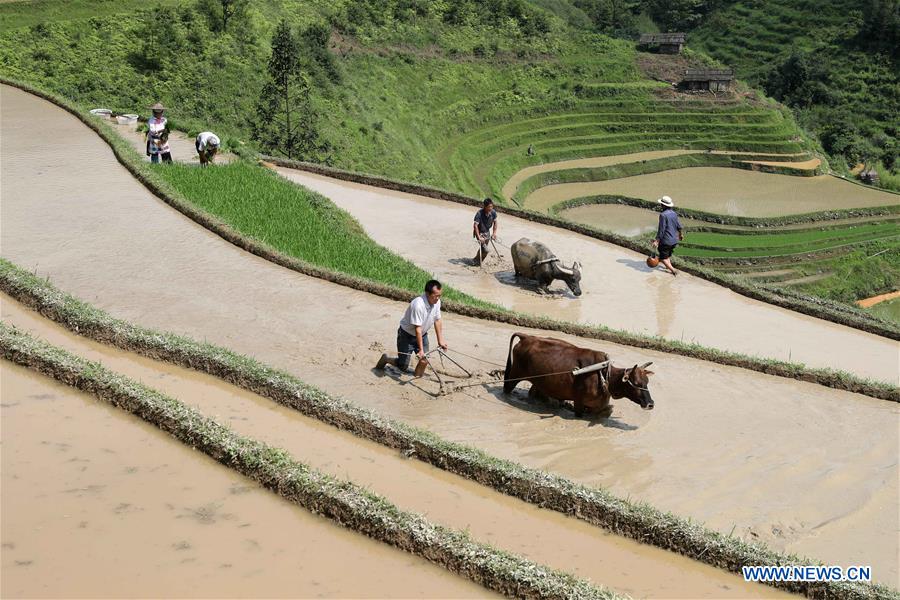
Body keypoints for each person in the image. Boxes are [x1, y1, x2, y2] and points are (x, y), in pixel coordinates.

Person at [375, 280, 448, 373]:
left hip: (423, 335)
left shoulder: (436, 302)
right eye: (435, 296)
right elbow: (417, 329)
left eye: (439, 296)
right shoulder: (418, 305)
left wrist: (440, 340)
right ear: (427, 293)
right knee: (403, 365)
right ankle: (386, 359)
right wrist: (421, 350)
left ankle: (417, 380)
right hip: (406, 335)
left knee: (424, 360)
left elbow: (437, 320)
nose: (438, 298)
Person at [652, 195, 684, 276]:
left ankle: (673, 270)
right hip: (674, 240)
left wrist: (656, 240)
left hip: (666, 240)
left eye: (661, 204)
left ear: (663, 205)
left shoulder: (663, 215)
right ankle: (668, 267)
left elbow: (661, 229)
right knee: (667, 255)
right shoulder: (674, 213)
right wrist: (680, 235)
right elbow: (679, 225)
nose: (660, 205)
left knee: (662, 257)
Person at [472, 197, 499, 265]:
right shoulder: (479, 213)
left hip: (487, 231)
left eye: (491, 206)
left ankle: (477, 259)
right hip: (479, 232)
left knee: (483, 248)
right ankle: (478, 261)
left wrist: (494, 233)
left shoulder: (493, 212)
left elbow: (495, 222)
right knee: (486, 250)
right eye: (489, 207)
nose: (490, 208)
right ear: (484, 206)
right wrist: (479, 237)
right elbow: (475, 225)